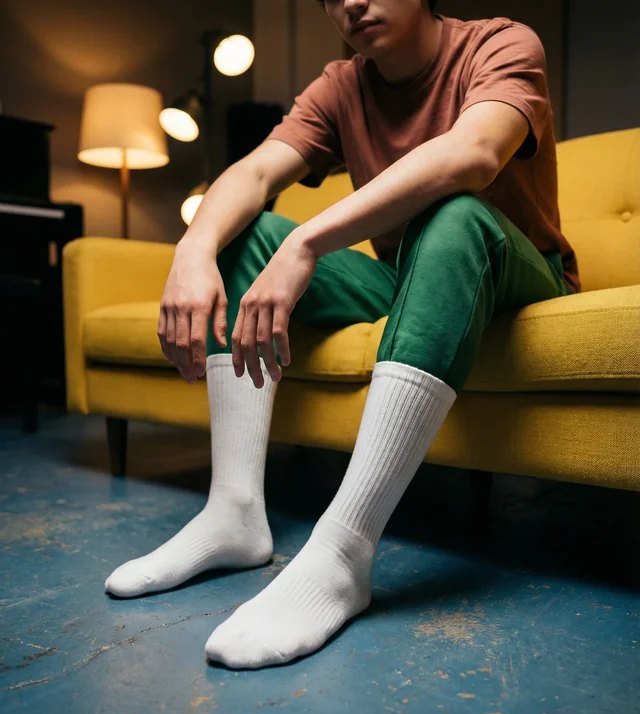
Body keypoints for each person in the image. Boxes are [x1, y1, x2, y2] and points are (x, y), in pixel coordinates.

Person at [104, 0, 579, 668]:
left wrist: (307, 242)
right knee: (250, 235)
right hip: (408, 277)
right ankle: (233, 512)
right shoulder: (342, 86)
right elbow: (256, 172)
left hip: (516, 279)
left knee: (453, 216)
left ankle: (343, 552)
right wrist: (194, 247)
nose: (351, 0)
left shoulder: (501, 43)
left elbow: (472, 154)